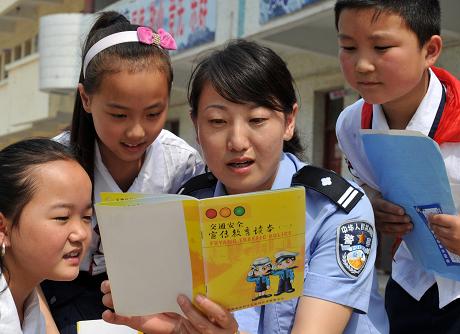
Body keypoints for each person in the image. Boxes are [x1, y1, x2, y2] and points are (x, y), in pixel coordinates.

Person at [101, 39, 389, 334]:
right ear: (196, 127)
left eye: (257, 119)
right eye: (217, 121)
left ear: (289, 121)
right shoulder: (186, 206)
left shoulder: (336, 211)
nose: (237, 141)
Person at [334, 1, 460, 333]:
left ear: (430, 50)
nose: (363, 64)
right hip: (410, 286)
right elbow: (366, 188)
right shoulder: (351, 125)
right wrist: (374, 208)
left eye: (381, 47)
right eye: (348, 47)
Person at [40, 11, 205, 334]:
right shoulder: (53, 164)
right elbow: (25, 264)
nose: (136, 132)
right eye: (118, 114)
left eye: (153, 113)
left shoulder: (182, 164)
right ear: (86, 99)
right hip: (60, 298)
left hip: (154, 303)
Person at [0, 139, 92, 334]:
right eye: (62, 217)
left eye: (87, 217)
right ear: (3, 228)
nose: (81, 234)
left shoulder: (27, 307)